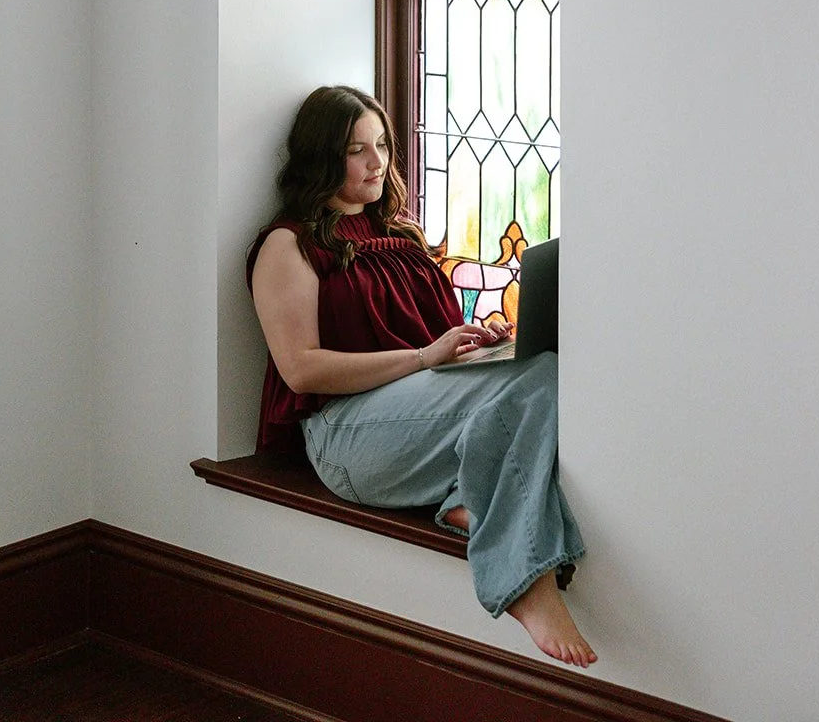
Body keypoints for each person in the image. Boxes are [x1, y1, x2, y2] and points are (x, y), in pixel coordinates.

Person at [246, 84, 595, 668]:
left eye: (382, 145)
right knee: (542, 380)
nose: (377, 162)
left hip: (415, 415)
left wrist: (476, 345)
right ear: (321, 157)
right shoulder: (289, 245)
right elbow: (300, 369)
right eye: (356, 150)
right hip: (344, 435)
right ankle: (525, 581)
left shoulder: (400, 235)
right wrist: (422, 357)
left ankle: (468, 499)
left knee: (545, 368)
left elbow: (435, 345)